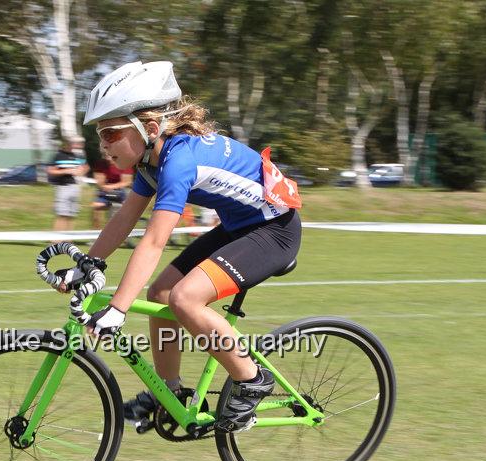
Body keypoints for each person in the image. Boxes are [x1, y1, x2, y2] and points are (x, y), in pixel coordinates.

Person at [56, 60, 303, 433]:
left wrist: (118, 309)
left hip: (275, 231)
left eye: (109, 134)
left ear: (150, 128)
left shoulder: (177, 162)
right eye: (99, 136)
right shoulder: (149, 163)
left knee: (185, 298)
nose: (102, 146)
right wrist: (89, 263)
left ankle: (252, 379)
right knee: (160, 293)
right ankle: (167, 393)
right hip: (240, 227)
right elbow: (123, 221)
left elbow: (154, 241)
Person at [47, 136, 89, 231]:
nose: (77, 145)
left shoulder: (78, 155)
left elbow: (85, 167)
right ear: (67, 144)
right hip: (63, 187)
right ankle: (56, 240)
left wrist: (81, 172)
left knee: (71, 214)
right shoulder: (58, 155)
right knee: (62, 214)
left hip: (75, 187)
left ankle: (68, 240)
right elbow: (51, 171)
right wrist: (67, 171)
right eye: (74, 143)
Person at [90, 157, 134, 229]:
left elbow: (127, 182)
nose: (108, 158)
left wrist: (112, 186)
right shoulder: (101, 164)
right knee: (96, 206)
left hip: (121, 191)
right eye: (106, 155)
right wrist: (105, 187)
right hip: (105, 190)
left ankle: (122, 230)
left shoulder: (124, 163)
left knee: (124, 211)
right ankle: (96, 232)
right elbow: (100, 182)